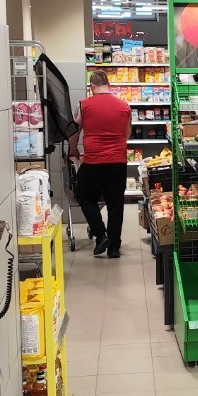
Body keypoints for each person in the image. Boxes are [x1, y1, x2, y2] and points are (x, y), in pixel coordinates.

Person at [69, 69, 131, 258]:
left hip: (93, 161)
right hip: (118, 162)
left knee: (84, 196)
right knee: (115, 204)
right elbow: (127, 133)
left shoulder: (83, 105)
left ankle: (101, 234)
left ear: (92, 86)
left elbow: (74, 131)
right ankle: (114, 247)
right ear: (108, 85)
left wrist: (73, 148)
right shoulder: (124, 106)